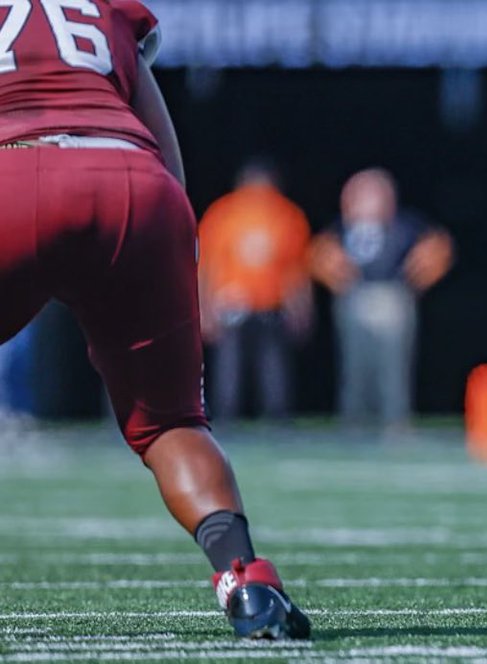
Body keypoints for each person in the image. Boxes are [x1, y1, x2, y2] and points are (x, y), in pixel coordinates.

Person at [0, 0, 308, 639]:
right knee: (172, 424)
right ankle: (247, 583)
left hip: (11, 168)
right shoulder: (105, 10)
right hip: (134, 181)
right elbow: (168, 155)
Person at [309, 168, 454, 431]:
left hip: (392, 295)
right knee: (354, 365)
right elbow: (318, 253)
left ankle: (395, 421)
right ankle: (354, 420)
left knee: (394, 367)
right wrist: (335, 275)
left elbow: (438, 246)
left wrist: (418, 276)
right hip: (355, 296)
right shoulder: (341, 229)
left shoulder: (406, 224)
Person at [198, 160, 312, 420]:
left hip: (253, 305)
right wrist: (302, 311)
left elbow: (295, 271)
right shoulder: (284, 213)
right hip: (244, 304)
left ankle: (260, 418)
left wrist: (205, 309)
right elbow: (296, 273)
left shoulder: (225, 212)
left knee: (264, 368)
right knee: (243, 368)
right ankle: (261, 418)